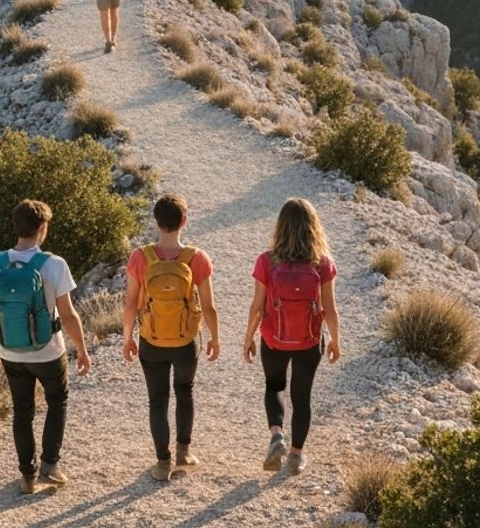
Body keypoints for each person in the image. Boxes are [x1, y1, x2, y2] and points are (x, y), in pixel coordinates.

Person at [0, 199, 91, 494]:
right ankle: (50, 467)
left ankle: (27, 477)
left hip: (10, 352)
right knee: (57, 401)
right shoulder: (54, 264)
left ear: (16, 227)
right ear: (43, 228)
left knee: (22, 411)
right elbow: (68, 314)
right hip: (48, 352)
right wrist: (81, 349)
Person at [122, 194, 220, 481]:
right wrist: (214, 338)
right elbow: (209, 306)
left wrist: (128, 338)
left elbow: (130, 304)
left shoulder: (140, 257)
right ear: (184, 221)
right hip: (185, 340)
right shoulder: (197, 258)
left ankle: (162, 463)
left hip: (151, 340)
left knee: (157, 401)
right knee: (184, 391)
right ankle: (183, 453)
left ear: (157, 222)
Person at [242, 198, 341, 475]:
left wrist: (249, 337)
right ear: (313, 227)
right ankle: (296, 456)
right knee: (302, 396)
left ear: (281, 226)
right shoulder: (322, 263)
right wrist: (335, 340)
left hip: (274, 339)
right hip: (309, 340)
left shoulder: (267, 261)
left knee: (274, 386)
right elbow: (330, 308)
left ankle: (277, 436)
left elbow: (257, 306)